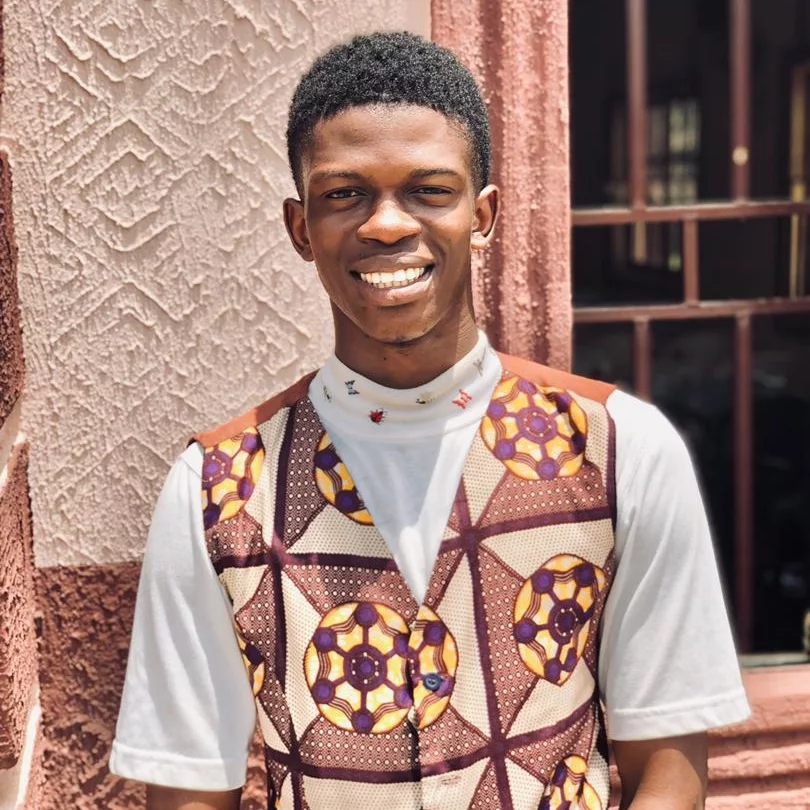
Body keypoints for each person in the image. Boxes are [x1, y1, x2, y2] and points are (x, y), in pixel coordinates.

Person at [110, 31, 751, 810]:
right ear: (300, 228)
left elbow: (667, 772)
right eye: (344, 194)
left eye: (428, 190)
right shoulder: (215, 488)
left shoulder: (620, 450)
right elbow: (186, 793)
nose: (386, 224)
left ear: (481, 215)